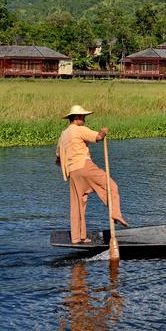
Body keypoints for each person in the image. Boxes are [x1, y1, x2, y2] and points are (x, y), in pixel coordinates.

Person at [56, 105, 129, 244]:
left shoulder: (63, 134)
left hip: (73, 172)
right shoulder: (79, 129)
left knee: (77, 204)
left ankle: (78, 237)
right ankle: (116, 213)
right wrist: (103, 131)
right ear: (76, 118)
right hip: (84, 165)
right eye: (83, 117)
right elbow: (98, 137)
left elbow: (58, 158)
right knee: (111, 185)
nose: (84, 119)